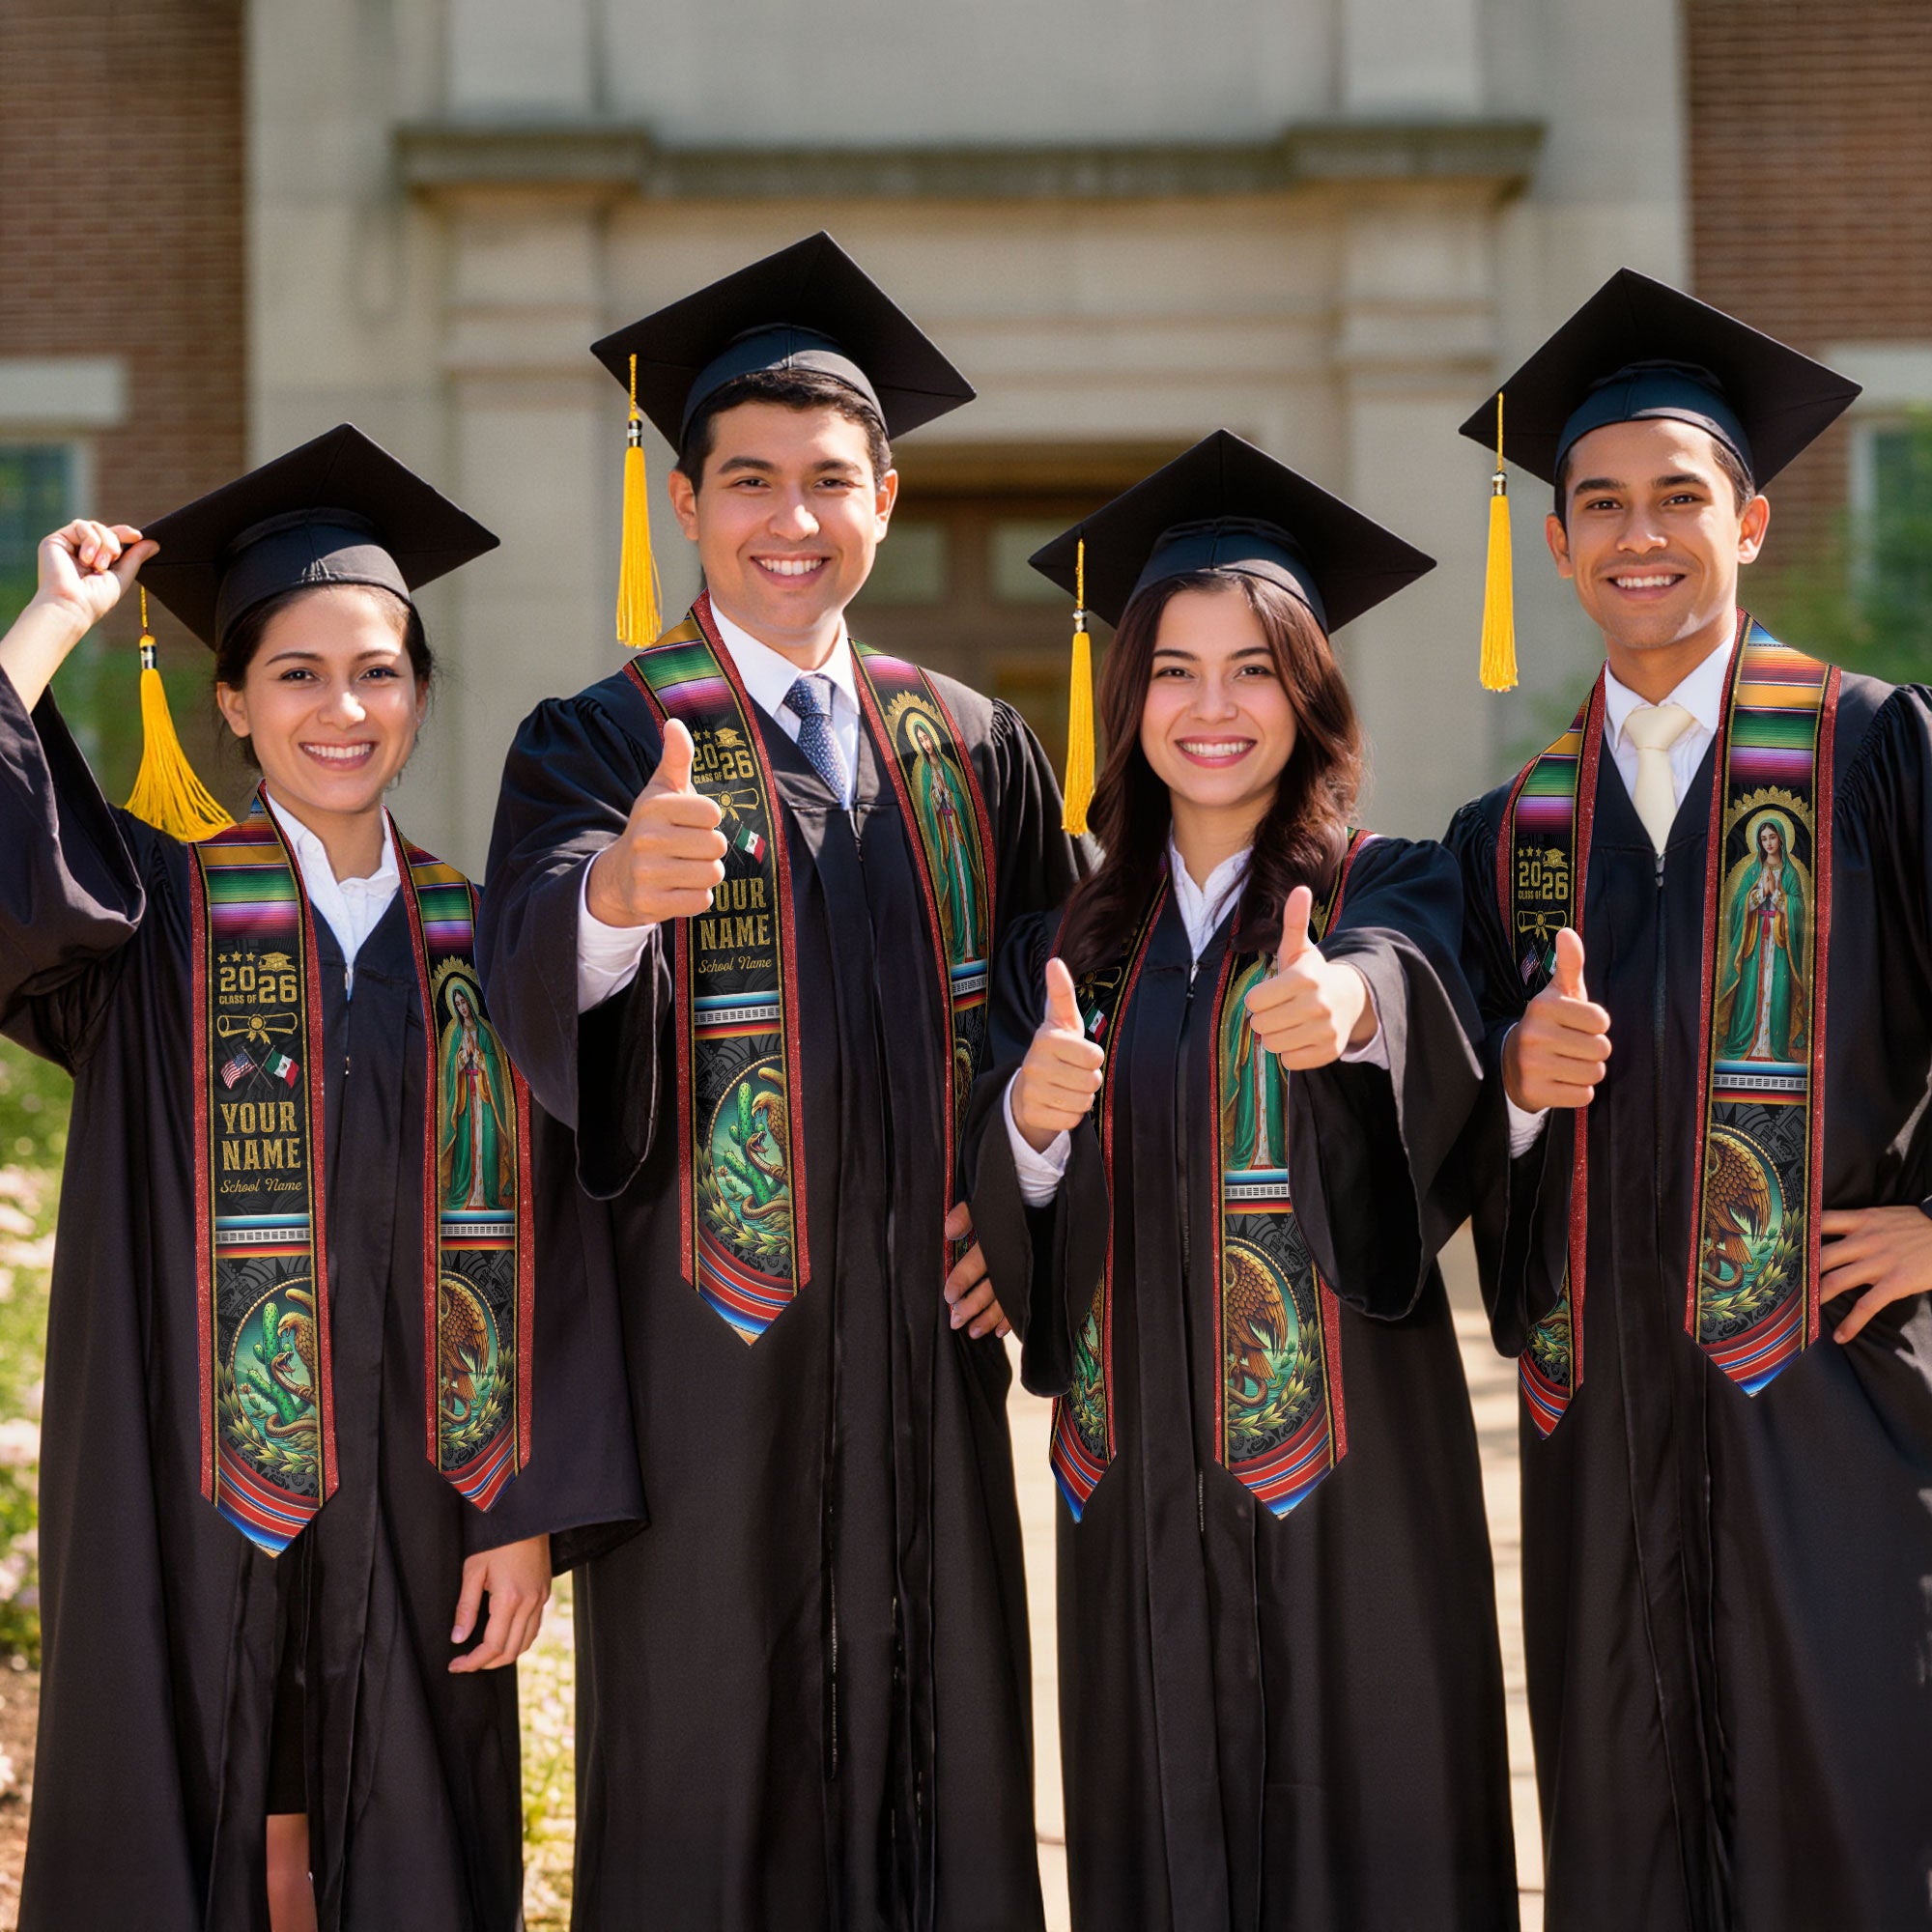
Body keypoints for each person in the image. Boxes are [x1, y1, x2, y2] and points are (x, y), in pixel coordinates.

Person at [479, 233, 1084, 1931]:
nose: (790, 520)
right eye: (749, 481)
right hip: (706, 1374)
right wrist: (609, 900)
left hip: (925, 1367)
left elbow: (1078, 1010)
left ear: (886, 497)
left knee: (944, 1767)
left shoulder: (971, 744)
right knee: (708, 1785)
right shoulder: (601, 738)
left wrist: (1025, 1206)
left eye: (831, 481)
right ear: (686, 503)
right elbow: (526, 968)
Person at [0, 426, 641, 1931]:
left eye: (378, 670)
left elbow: (566, 1238)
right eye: (295, 673)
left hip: (429, 1499)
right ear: (231, 701)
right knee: (192, 1811)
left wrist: (526, 1507)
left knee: (409, 1837)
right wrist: (50, 624)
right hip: (183, 1486)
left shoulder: (494, 943)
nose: (340, 708)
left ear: (420, 694)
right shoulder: (151, 919)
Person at [966, 432, 1518, 1930]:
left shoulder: (1386, 885)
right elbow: (1011, 1215)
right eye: (1175, 670)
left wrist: (1347, 1015)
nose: (1215, 709)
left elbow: (1411, 991)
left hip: (1354, 1493)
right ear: (1127, 697)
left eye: (1256, 669)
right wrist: (1028, 1116)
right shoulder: (1064, 948)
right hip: (1133, 1487)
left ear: (1311, 693)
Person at [1446, 270, 1932, 1931]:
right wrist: (1510, 1089)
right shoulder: (1511, 835)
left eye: (1677, 497)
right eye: (1599, 504)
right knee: (1625, 1833)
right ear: (1562, 542)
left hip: (1836, 1413)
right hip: (1603, 1442)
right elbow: (1442, 1140)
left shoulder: (1874, 752)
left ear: (1752, 520)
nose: (1636, 534)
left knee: (1855, 1816)